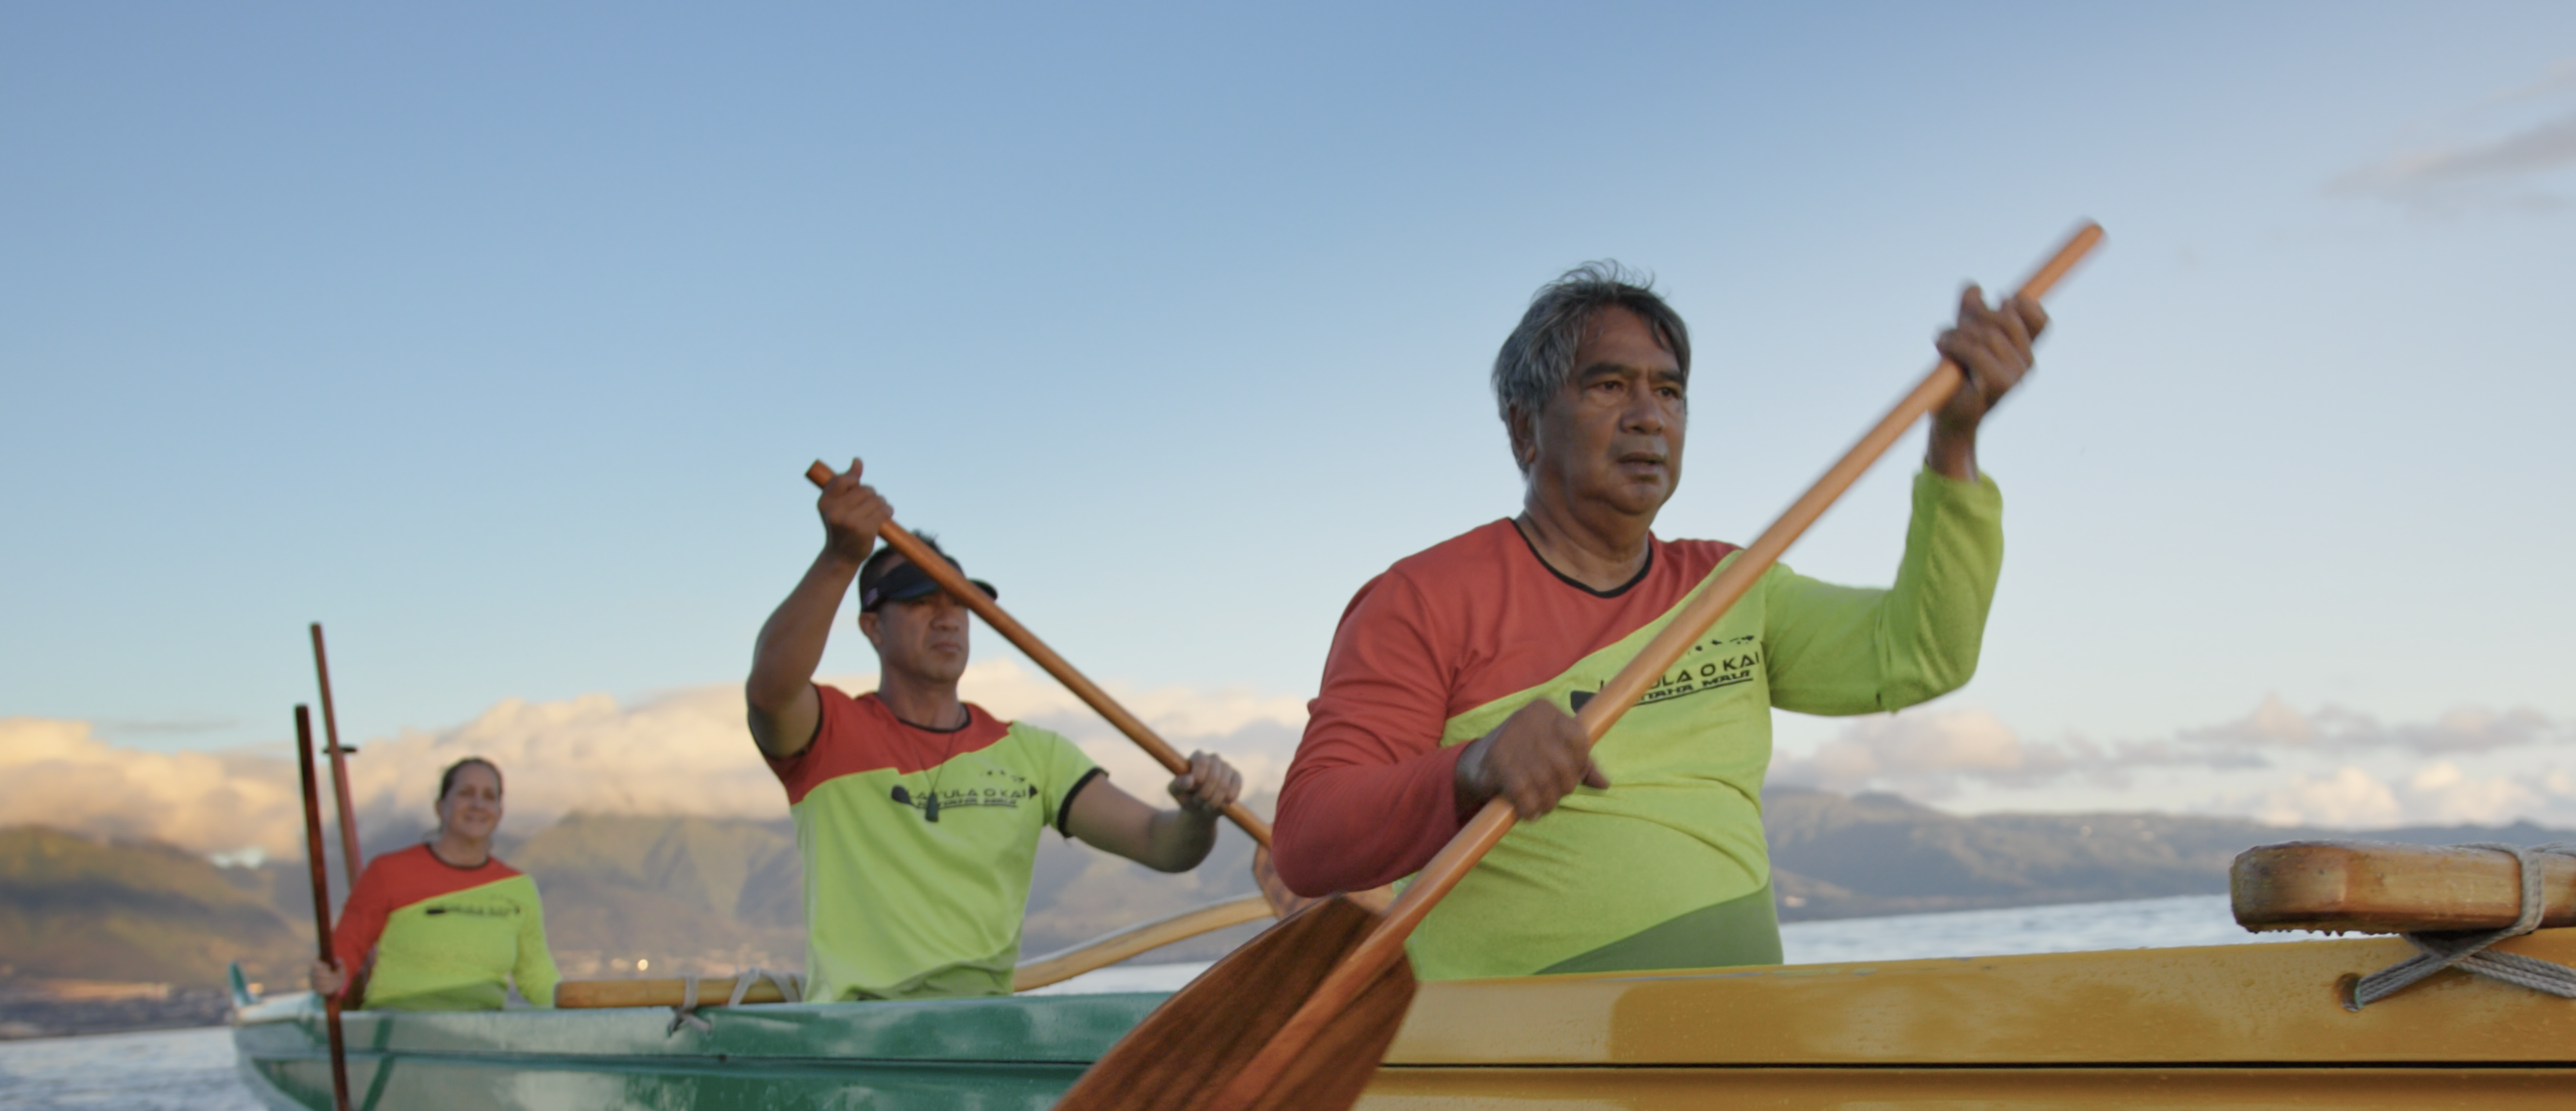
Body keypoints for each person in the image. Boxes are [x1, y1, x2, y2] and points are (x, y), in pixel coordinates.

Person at [1270, 262, 2043, 979]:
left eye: (1669, 392)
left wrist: (1954, 441)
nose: (1648, 416)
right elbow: (1307, 839)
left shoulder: (1731, 583)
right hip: (1515, 1068)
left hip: (1740, 1043)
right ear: (1523, 428)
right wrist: (1470, 768)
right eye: (1608, 385)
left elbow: (1919, 653)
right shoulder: (1421, 599)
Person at [746, 466, 1252, 1000]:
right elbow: (769, 690)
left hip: (983, 1040)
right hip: (862, 1047)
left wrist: (1199, 813)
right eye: (920, 600)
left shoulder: (1033, 753)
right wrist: (840, 558)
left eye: (959, 600)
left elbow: (1161, 843)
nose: (947, 618)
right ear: (873, 627)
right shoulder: (827, 734)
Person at [310, 757, 559, 1012]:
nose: (478, 804)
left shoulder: (519, 887)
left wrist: (579, 1009)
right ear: (440, 806)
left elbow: (536, 975)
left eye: (489, 796)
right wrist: (333, 976)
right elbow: (347, 948)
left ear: (499, 812)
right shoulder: (388, 872)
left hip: (483, 1038)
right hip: (398, 1033)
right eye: (465, 793)